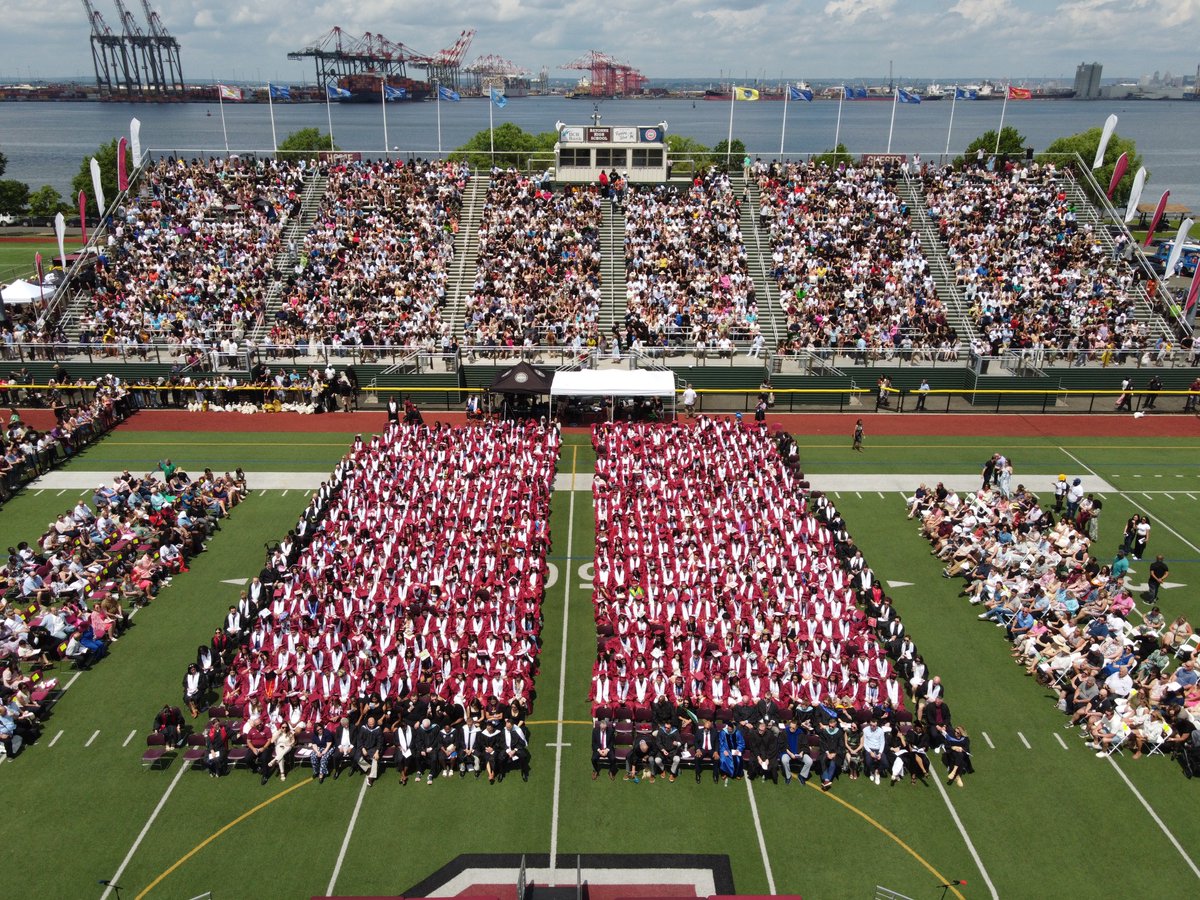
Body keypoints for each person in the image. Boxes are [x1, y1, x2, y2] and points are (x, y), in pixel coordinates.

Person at [244, 716, 274, 785]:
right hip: (254, 747)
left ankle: (265, 776)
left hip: (265, 747)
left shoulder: (267, 729)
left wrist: (263, 748)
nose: (260, 725)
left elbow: (269, 740)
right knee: (247, 759)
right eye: (258, 725)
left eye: (260, 724)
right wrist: (253, 749)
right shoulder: (251, 730)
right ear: (254, 726)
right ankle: (257, 767)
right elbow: (248, 741)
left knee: (264, 759)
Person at [354, 715, 383, 787]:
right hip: (363, 747)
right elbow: (359, 739)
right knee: (357, 757)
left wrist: (377, 752)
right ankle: (368, 768)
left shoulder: (378, 729)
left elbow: (380, 741)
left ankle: (371, 777)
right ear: (367, 723)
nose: (372, 725)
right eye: (370, 724)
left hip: (373, 747)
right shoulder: (363, 728)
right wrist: (363, 748)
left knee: (375, 759)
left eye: (373, 724)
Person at [693, 718, 721, 784]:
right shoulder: (699, 731)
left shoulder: (714, 732)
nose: (706, 729)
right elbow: (696, 742)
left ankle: (715, 775)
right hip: (702, 749)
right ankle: (697, 774)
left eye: (707, 728)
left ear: (710, 728)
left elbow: (717, 742)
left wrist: (716, 751)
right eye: (705, 727)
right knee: (697, 758)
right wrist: (698, 749)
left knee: (716, 759)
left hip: (711, 749)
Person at [717, 720, 745, 785]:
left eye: (730, 729)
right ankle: (724, 773)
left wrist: (738, 750)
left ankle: (737, 774)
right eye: (728, 729)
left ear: (733, 728)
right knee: (723, 760)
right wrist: (724, 750)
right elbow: (721, 743)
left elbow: (741, 743)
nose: (729, 730)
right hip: (725, 749)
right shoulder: (723, 732)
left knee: (738, 760)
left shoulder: (737, 733)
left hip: (735, 750)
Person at [591, 716, 617, 780]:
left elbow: (612, 742)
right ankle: (596, 770)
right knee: (593, 759)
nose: (603, 730)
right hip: (599, 749)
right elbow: (593, 743)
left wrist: (607, 750)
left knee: (613, 759)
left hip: (608, 748)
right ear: (600, 726)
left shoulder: (610, 731)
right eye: (602, 728)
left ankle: (611, 771)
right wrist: (599, 750)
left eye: (604, 728)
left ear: (606, 727)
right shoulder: (595, 731)